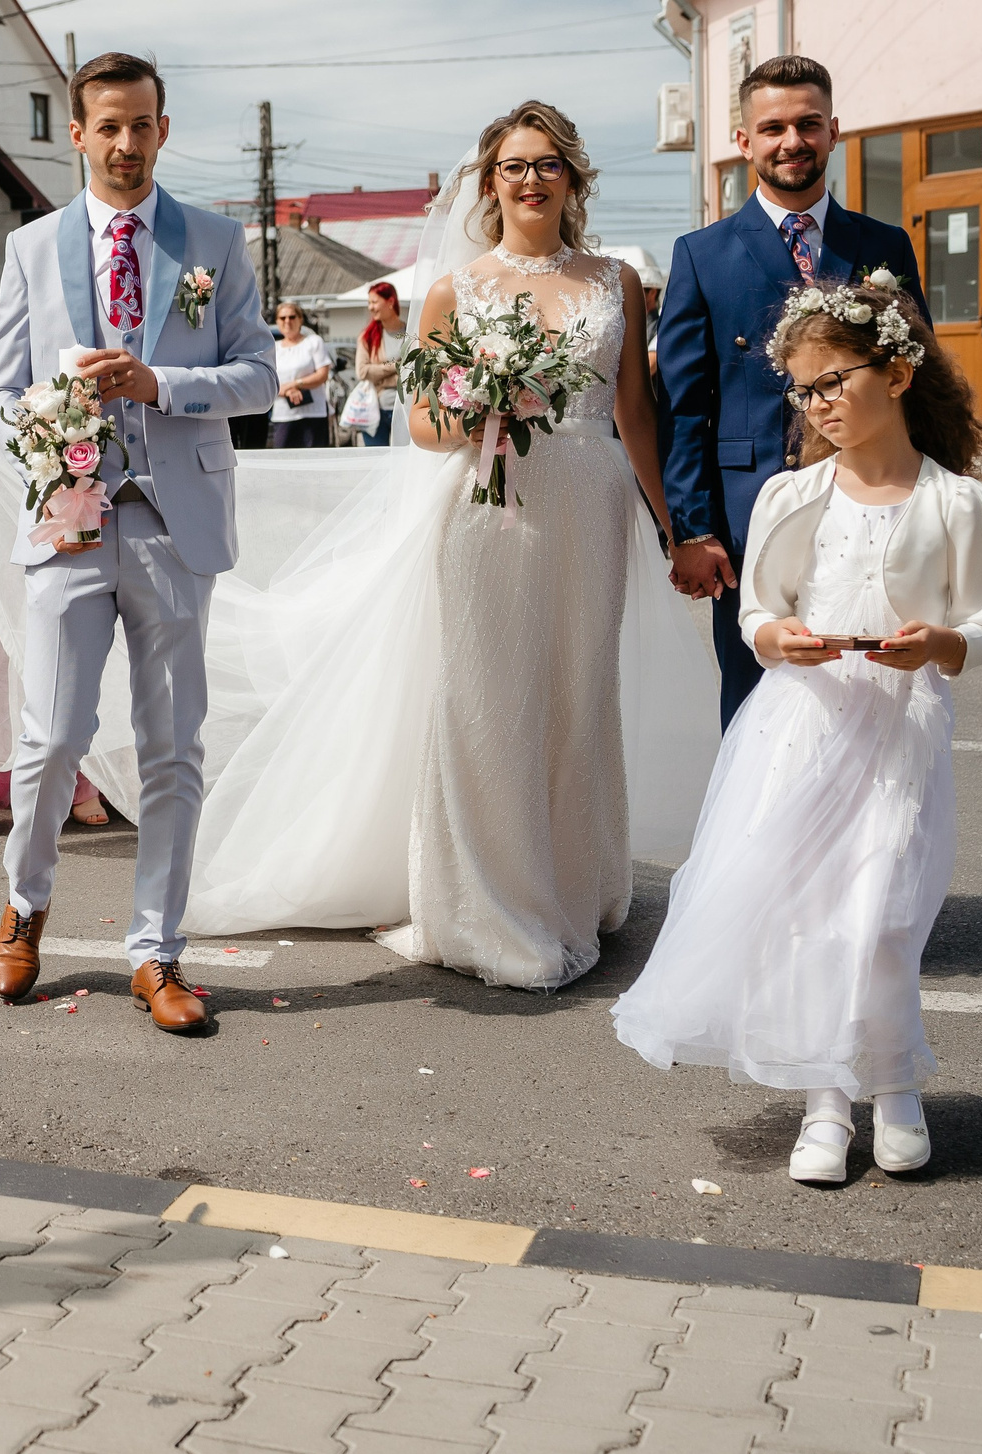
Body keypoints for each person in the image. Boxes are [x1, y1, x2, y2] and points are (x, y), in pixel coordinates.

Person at [174, 101, 702, 992]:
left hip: (592, 507)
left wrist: (676, 528)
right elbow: (421, 424)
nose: (529, 180)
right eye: (512, 166)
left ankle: (572, 884)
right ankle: (491, 902)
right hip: (488, 511)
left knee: (578, 698)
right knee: (489, 702)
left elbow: (635, 416)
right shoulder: (458, 290)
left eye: (546, 164)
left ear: (572, 177)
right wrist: (479, 409)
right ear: (489, 183)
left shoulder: (617, 281)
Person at [614, 279, 982, 1184]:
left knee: (884, 917)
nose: (818, 403)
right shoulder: (793, 495)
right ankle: (825, 1099)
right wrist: (774, 637)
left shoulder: (953, 503)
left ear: (898, 373)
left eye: (835, 380)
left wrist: (942, 643)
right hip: (804, 726)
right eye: (803, 387)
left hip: (899, 730)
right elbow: (761, 607)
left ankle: (894, 1087)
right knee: (811, 919)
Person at [0, 51, 278, 1035]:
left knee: (170, 750)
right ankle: (24, 909)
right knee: (50, 739)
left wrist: (160, 384)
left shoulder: (214, 242)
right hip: (67, 521)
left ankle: (157, 951)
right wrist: (49, 415)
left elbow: (259, 378)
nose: (124, 142)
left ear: (162, 127)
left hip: (174, 521)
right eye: (106, 126)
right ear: (76, 133)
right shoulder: (30, 248)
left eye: (140, 123)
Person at [658, 54, 925, 727]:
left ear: (834, 131)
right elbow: (686, 408)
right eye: (772, 127)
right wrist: (692, 530)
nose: (792, 141)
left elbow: (919, 388)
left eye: (808, 124)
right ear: (744, 142)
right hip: (754, 529)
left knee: (870, 708)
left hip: (874, 518)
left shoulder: (885, 244)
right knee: (756, 715)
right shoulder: (702, 254)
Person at [266, 301, 332, 448]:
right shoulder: (273, 349)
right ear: (277, 321)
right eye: (283, 318)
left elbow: (322, 375)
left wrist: (296, 384)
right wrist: (288, 391)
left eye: (292, 317)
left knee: (314, 462)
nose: (287, 321)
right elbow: (268, 381)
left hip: (313, 414)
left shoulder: (313, 342)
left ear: (300, 319)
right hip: (284, 415)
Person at [351, 282, 404, 447]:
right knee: (376, 460)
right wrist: (396, 366)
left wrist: (379, 373)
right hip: (375, 410)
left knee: (403, 460)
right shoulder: (367, 337)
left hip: (405, 409)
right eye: (369, 303)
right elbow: (362, 371)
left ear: (390, 301)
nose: (371, 308)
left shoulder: (411, 332)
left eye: (374, 302)